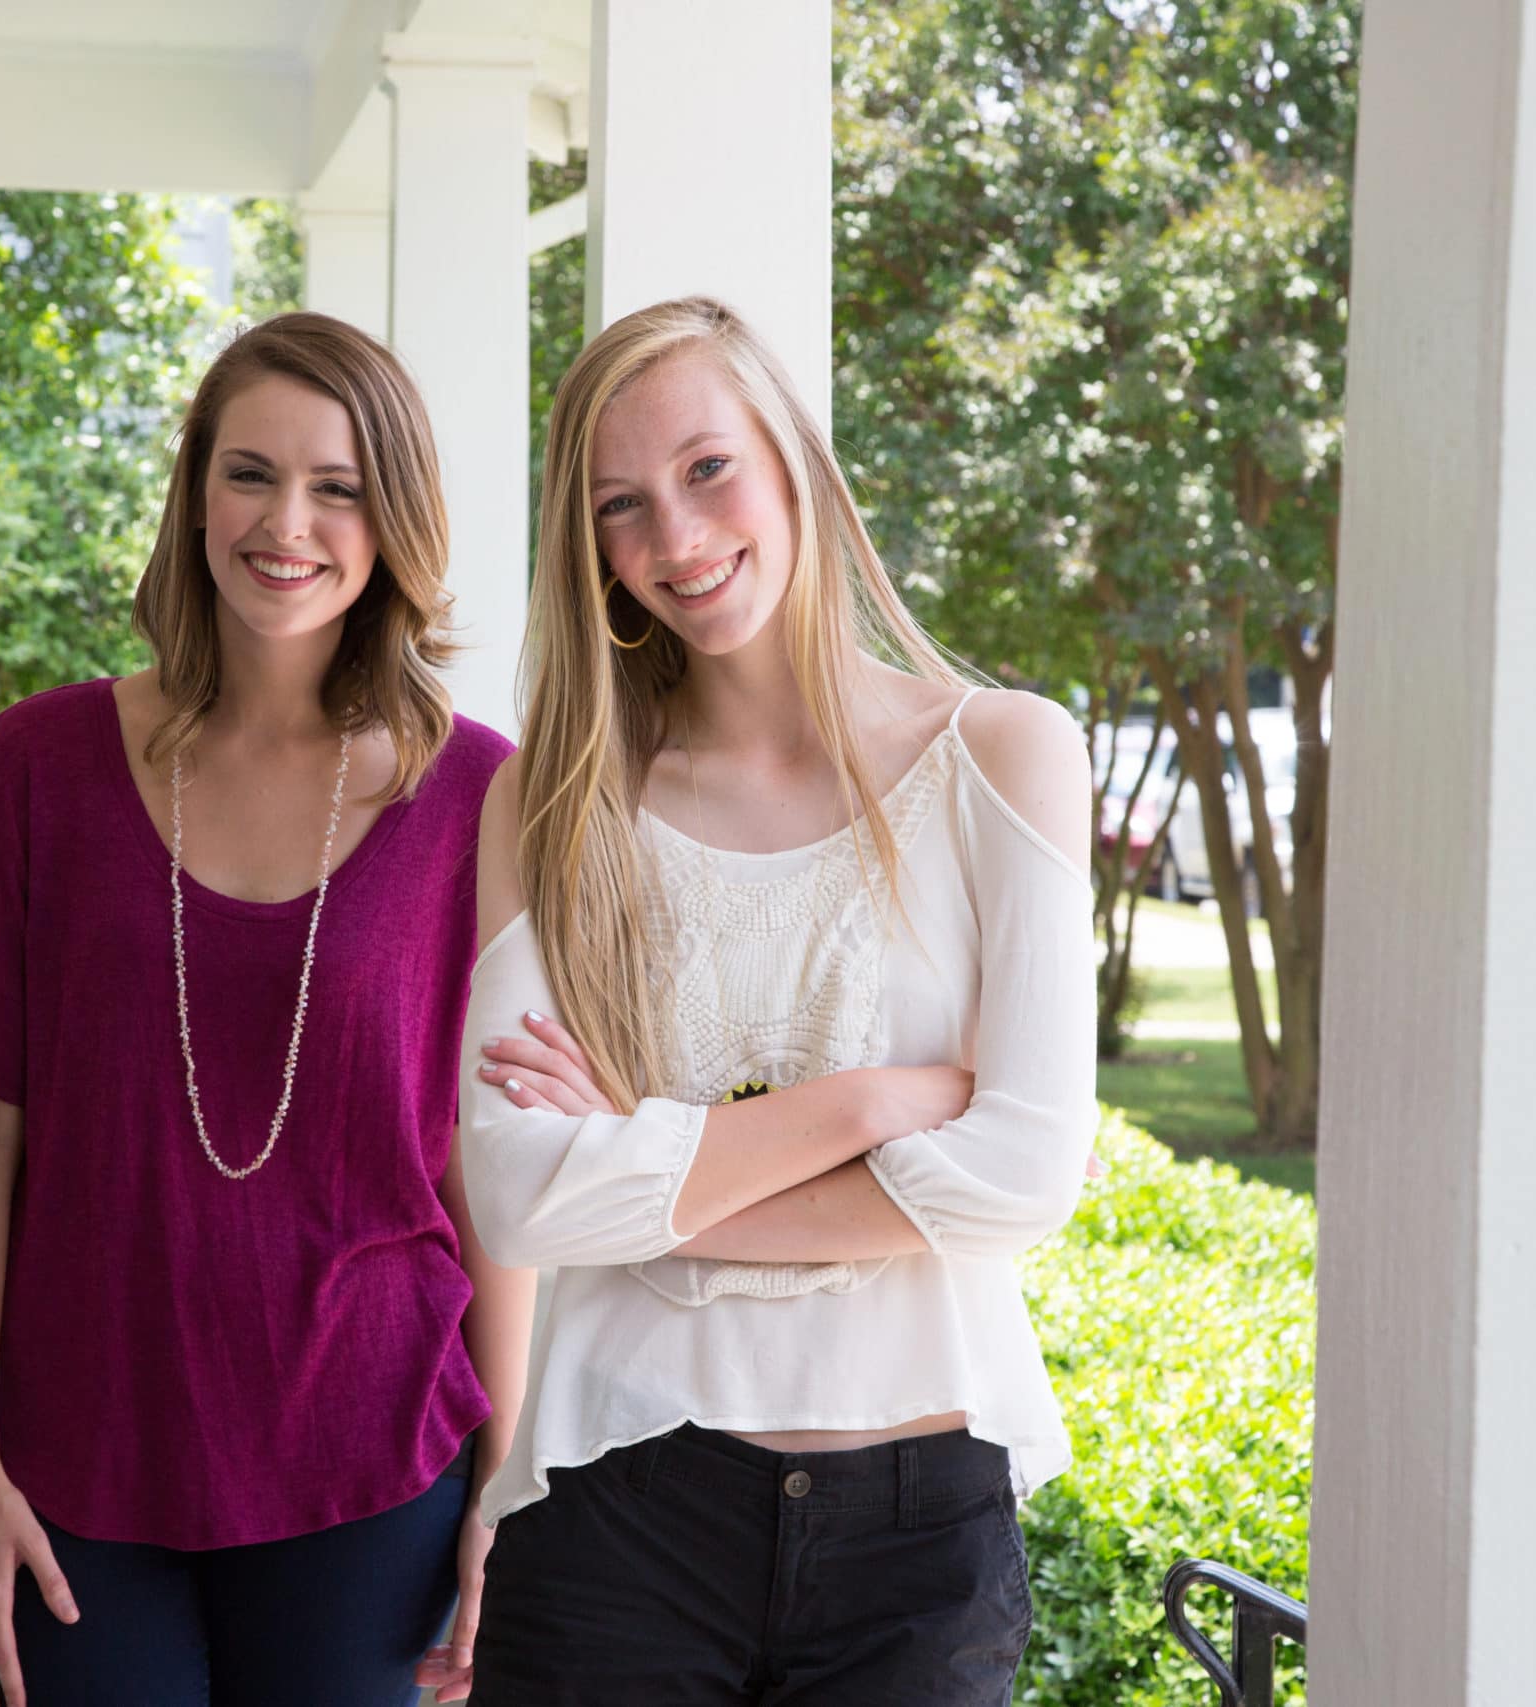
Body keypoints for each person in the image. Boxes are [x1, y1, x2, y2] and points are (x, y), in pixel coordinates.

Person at [456, 296, 1098, 1705]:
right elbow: (518, 1198)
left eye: (707, 470)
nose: (676, 542)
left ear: (793, 458)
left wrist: (646, 1165)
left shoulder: (1002, 756)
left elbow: (1023, 1177)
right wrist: (877, 1105)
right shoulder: (559, 803)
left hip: (918, 1539)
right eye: (621, 507)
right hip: (618, 1509)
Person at [0, 312, 529, 1707]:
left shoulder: (483, 795)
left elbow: (482, 1158)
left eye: (340, 486)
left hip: (376, 1462)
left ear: (395, 520)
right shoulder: (37, 764)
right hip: (77, 1457)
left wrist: (510, 1476)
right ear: (194, 493)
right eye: (250, 473)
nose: (286, 521)